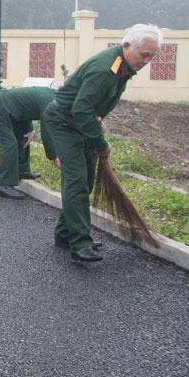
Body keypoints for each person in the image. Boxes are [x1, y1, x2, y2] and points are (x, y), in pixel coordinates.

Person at [43, 24, 162, 262]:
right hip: (65, 122)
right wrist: (101, 144)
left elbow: (89, 110)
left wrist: (95, 134)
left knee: (85, 180)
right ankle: (80, 243)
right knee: (76, 180)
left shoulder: (121, 66)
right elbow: (81, 109)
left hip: (82, 123)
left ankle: (66, 234)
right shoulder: (105, 69)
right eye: (144, 55)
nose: (147, 61)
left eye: (152, 56)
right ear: (127, 46)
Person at [0, 85, 57, 199]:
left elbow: (25, 106)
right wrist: (53, 156)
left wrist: (29, 129)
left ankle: (21, 171)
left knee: (24, 136)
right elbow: (47, 131)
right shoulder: (51, 102)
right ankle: (4, 185)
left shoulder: (54, 97)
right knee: (9, 144)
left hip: (12, 110)